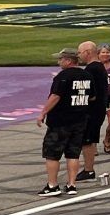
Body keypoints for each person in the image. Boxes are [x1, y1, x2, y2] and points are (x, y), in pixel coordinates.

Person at [35, 47, 97, 195]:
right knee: (73, 154)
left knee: (52, 154)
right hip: (80, 120)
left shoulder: (63, 76)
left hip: (60, 121)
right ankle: (71, 185)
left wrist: (43, 112)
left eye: (61, 59)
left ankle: (52, 185)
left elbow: (55, 96)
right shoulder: (87, 75)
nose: (59, 62)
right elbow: (92, 97)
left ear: (69, 61)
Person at [72, 39, 109, 181]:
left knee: (87, 140)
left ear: (87, 53)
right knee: (89, 139)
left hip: (92, 110)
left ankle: (89, 170)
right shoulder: (98, 67)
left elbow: (88, 91)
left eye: (80, 52)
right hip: (98, 109)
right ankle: (88, 168)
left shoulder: (91, 69)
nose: (78, 55)